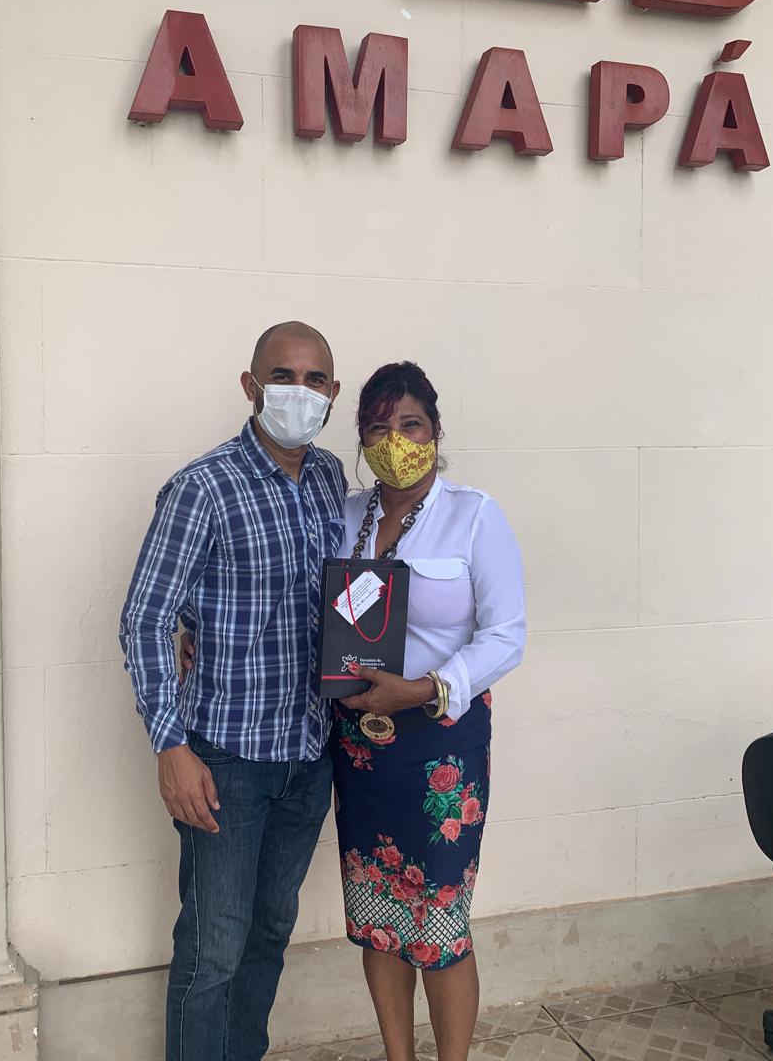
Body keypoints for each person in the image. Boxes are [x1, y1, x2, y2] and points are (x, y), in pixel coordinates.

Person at [118, 322, 346, 1061]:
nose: (299, 392)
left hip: (307, 755)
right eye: (282, 376)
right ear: (250, 386)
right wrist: (170, 746)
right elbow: (145, 618)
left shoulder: (329, 479)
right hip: (226, 763)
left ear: (332, 394)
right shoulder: (204, 487)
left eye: (315, 380)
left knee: (269, 935)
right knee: (212, 949)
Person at [333, 361, 526, 1061]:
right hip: (360, 746)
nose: (395, 441)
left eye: (410, 425)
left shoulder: (474, 515)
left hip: (442, 744)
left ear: (435, 431)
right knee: (379, 914)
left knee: (439, 922)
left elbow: (506, 636)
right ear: (362, 438)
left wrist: (422, 689)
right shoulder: (345, 515)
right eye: (378, 428)